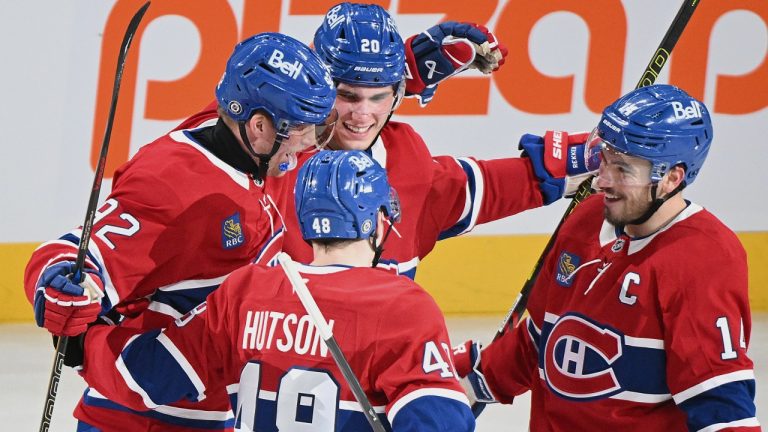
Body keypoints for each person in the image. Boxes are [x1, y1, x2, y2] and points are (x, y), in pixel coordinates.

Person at [24, 33, 337, 431]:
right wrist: (60, 286)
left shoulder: (247, 130)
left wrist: (402, 77)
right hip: (141, 420)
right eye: (304, 130)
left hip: (217, 412)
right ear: (260, 126)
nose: (311, 143)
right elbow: (79, 257)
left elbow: (301, 84)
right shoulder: (170, 187)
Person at [66, 150, 475, 432]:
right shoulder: (403, 307)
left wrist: (86, 343)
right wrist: (465, 387)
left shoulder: (246, 291)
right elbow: (437, 421)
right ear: (380, 221)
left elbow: (151, 377)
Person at [180, 2, 592, 278]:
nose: (363, 115)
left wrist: (584, 156)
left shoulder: (404, 157)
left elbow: (469, 188)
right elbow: (213, 131)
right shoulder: (271, 157)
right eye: (347, 95)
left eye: (379, 96)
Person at [454, 84, 762, 431]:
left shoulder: (703, 258)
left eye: (623, 170)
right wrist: (459, 384)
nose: (601, 180)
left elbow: (720, 401)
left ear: (671, 179)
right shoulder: (586, 219)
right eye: (604, 159)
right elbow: (538, 340)